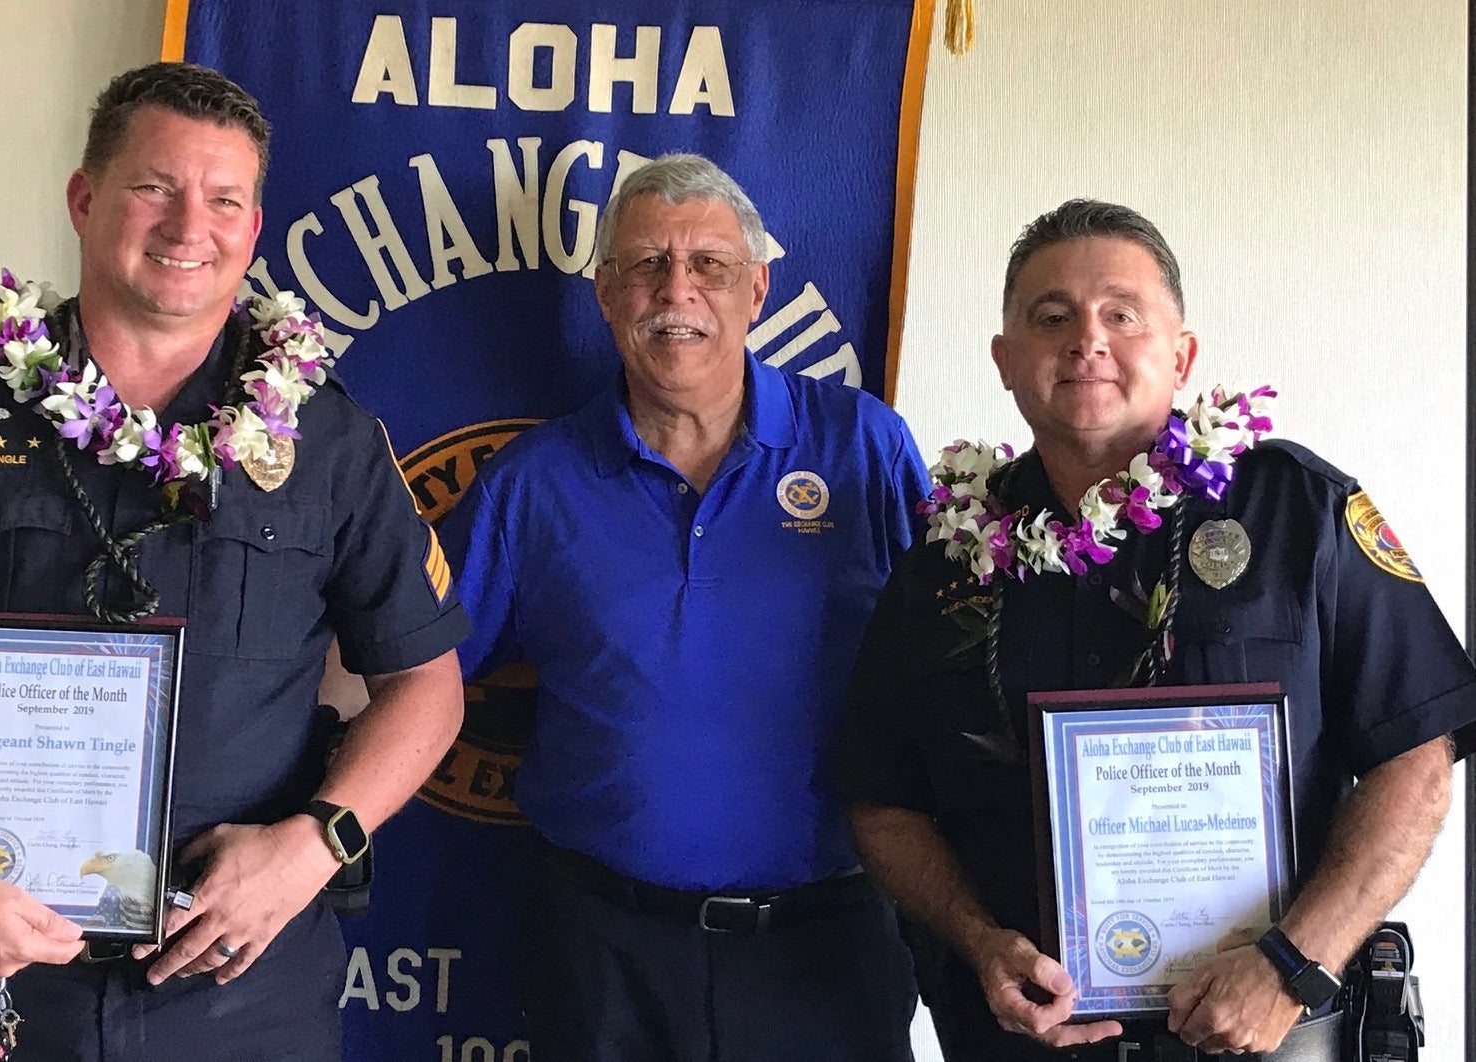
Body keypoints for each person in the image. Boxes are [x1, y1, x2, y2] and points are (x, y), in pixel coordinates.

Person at [0, 62, 467, 1060]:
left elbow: (427, 685)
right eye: (154, 186)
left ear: (253, 228)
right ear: (84, 198)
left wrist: (313, 845)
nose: (190, 225)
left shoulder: (330, 443)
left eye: (223, 199)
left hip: (238, 991)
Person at [841, 199, 1476, 1061]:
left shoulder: (1296, 512)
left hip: (1266, 1035)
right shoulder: (946, 555)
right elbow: (882, 796)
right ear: (1003, 360)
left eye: (1121, 315)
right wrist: (978, 941)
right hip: (1021, 1039)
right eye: (1051, 317)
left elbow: (1415, 757)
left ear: (1180, 356)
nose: (1086, 341)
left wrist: (1294, 965)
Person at [438, 153, 929, 1061]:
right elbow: (415, 666)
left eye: (709, 264)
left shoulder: (863, 446)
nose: (677, 291)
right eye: (645, 265)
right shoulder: (531, 482)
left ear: (757, 289)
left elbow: (947, 665)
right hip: (603, 954)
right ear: (604, 294)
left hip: (825, 949)